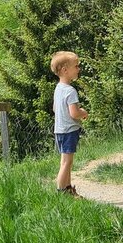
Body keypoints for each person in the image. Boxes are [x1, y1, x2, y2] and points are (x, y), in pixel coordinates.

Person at [51, 50, 88, 197]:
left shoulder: (58, 88)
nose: (79, 69)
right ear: (65, 70)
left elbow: (55, 108)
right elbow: (74, 113)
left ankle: (67, 188)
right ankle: (61, 192)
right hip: (69, 130)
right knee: (67, 163)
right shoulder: (70, 91)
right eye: (76, 66)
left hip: (59, 130)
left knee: (64, 161)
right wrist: (83, 113)